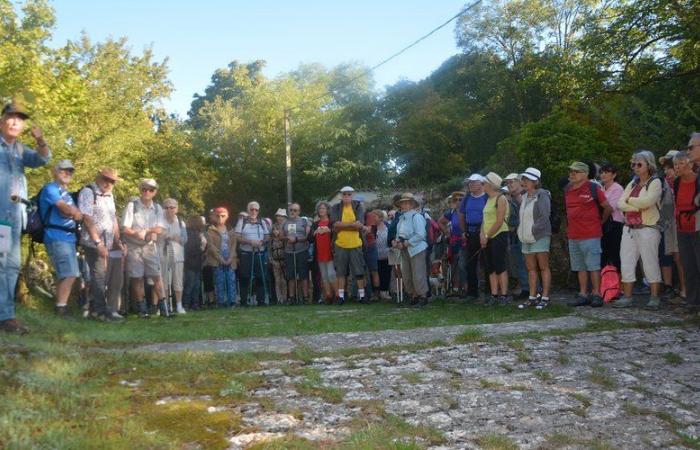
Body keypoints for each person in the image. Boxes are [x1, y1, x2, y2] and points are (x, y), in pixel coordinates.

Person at [0, 102, 50, 334]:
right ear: (2, 120)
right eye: (11, 117)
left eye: (20, 119)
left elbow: (43, 160)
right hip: (0, 216)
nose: (15, 122)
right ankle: (5, 316)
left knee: (11, 265)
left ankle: (6, 316)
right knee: (2, 264)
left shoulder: (20, 150)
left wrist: (40, 140)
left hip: (15, 217)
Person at [614, 151, 663, 309]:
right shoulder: (632, 183)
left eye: (639, 164)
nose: (635, 167)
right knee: (627, 262)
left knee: (650, 262)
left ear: (649, 165)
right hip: (629, 228)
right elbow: (620, 204)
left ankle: (655, 298)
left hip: (648, 228)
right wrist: (635, 204)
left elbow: (648, 202)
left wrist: (630, 200)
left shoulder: (655, 182)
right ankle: (627, 297)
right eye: (633, 164)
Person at [78, 167, 124, 321]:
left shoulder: (110, 196)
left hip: (108, 243)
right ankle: (100, 311)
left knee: (102, 276)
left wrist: (118, 241)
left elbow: (113, 220)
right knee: (98, 275)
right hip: (92, 242)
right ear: (99, 177)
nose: (109, 183)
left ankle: (94, 309)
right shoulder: (88, 192)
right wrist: (98, 242)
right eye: (106, 179)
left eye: (112, 181)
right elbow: (87, 218)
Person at [564, 161, 612, 307]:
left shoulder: (593, 188)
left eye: (576, 171)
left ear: (585, 174)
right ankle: (583, 294)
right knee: (580, 267)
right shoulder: (567, 189)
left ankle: (596, 294)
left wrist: (600, 223)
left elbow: (607, 208)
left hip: (591, 234)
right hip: (573, 235)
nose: (572, 174)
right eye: (571, 171)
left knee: (593, 266)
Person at [39, 160, 83, 317]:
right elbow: (65, 209)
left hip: (68, 238)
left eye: (70, 171)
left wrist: (71, 211)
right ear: (55, 171)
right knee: (70, 273)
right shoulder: (51, 188)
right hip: (56, 236)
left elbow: (76, 214)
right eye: (63, 170)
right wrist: (71, 211)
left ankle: (60, 307)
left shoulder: (67, 194)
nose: (67, 173)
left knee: (65, 274)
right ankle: (61, 308)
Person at [121, 178, 167, 318]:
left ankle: (164, 309)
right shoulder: (132, 206)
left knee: (157, 277)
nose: (147, 192)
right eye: (144, 189)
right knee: (137, 278)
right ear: (140, 190)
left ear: (155, 192)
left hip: (150, 247)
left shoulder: (158, 208)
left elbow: (160, 228)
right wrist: (137, 233)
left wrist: (145, 231)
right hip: (134, 247)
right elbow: (124, 228)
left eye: (151, 190)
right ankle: (143, 310)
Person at [516, 168, 552, 309]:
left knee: (543, 267)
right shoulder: (524, 197)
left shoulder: (542, 195)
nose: (523, 182)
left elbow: (544, 217)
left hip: (539, 236)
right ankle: (532, 296)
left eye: (527, 179)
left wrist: (533, 230)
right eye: (523, 179)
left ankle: (545, 296)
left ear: (535, 182)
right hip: (525, 237)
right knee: (530, 268)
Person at [671, 151, 700, 314]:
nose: (677, 167)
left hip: (697, 227)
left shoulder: (698, 181)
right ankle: (693, 302)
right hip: (682, 229)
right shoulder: (677, 182)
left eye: (681, 163)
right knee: (688, 266)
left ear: (690, 164)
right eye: (675, 164)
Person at [330, 186, 367, 305]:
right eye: (344, 194)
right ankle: (340, 297)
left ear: (353, 195)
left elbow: (359, 224)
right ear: (341, 195)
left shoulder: (358, 206)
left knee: (359, 271)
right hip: (340, 244)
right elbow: (334, 225)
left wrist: (342, 225)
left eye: (349, 194)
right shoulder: (335, 207)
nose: (346, 196)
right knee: (340, 272)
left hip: (356, 243)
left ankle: (362, 296)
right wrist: (352, 225)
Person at [657, 150, 685, 300]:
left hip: (683, 223)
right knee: (669, 256)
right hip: (668, 224)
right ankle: (671, 287)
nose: (667, 170)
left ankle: (684, 288)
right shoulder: (663, 183)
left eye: (670, 166)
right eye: (666, 167)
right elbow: (665, 208)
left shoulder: (686, 181)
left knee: (680, 257)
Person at [393, 192, 429, 307]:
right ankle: (414, 296)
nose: (404, 205)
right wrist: (396, 241)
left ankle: (422, 296)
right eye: (403, 203)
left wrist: (407, 243)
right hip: (405, 249)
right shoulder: (401, 218)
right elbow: (399, 233)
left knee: (418, 273)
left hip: (416, 249)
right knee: (407, 274)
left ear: (413, 205)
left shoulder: (416, 216)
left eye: (407, 203)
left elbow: (420, 234)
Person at [480, 173, 511, 305]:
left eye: (483, 183)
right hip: (488, 236)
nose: (482, 185)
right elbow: (485, 220)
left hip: (499, 235)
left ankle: (503, 295)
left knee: (500, 265)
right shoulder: (488, 199)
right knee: (490, 267)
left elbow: (499, 221)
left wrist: (487, 236)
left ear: (490, 185)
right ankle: (494, 294)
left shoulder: (501, 198)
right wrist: (482, 234)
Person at [459, 174, 489, 301]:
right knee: (471, 262)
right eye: (469, 182)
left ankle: (489, 291)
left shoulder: (487, 197)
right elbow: (461, 215)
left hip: (485, 232)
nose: (470, 184)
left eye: (473, 182)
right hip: (470, 233)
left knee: (487, 262)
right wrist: (464, 231)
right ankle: (472, 292)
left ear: (481, 184)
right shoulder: (466, 198)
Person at [235, 201, 269, 306]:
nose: (254, 211)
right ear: (248, 210)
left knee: (260, 276)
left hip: (259, 252)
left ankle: (261, 301)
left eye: (256, 209)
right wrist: (250, 242)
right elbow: (237, 237)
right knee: (244, 276)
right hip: (246, 253)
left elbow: (267, 236)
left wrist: (261, 242)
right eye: (251, 209)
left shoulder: (262, 222)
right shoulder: (242, 221)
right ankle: (244, 301)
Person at [158, 198, 188, 314]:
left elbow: (185, 239)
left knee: (178, 280)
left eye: (172, 207)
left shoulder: (181, 222)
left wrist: (176, 238)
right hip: (163, 254)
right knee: (163, 280)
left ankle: (179, 305)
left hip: (178, 255)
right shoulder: (159, 221)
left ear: (177, 208)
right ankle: (164, 305)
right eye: (166, 207)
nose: (169, 210)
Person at [504, 173, 529, 298]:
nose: (509, 185)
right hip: (514, 236)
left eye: (512, 181)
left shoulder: (528, 195)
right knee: (519, 263)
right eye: (507, 183)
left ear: (520, 182)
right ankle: (526, 289)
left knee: (528, 263)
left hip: (526, 235)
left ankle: (535, 289)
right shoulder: (510, 198)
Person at [206, 207, 237, 307]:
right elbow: (211, 246)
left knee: (231, 279)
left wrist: (230, 258)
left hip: (230, 258)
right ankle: (221, 302)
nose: (220, 218)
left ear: (227, 216)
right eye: (218, 216)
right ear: (214, 216)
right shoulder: (210, 230)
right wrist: (221, 259)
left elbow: (233, 245)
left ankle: (232, 301)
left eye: (223, 216)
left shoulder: (231, 230)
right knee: (219, 280)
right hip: (217, 259)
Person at [283, 202, 311, 304]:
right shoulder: (285, 222)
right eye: (291, 210)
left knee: (303, 275)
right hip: (289, 251)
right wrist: (287, 238)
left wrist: (296, 239)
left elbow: (307, 236)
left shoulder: (304, 221)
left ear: (299, 211)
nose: (292, 212)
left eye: (295, 210)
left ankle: (305, 297)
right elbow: (281, 236)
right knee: (291, 275)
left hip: (301, 250)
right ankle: (292, 297)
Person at [439, 191, 465, 296]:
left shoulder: (467, 211)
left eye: (460, 199)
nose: (458, 201)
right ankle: (455, 288)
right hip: (454, 241)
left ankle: (465, 288)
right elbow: (440, 222)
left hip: (466, 240)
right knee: (455, 264)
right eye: (455, 199)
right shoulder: (451, 212)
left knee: (464, 264)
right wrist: (447, 232)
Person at [310, 201, 336, 304]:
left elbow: (336, 234)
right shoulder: (315, 224)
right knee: (324, 276)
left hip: (330, 253)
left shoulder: (332, 222)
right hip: (319, 253)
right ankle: (329, 296)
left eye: (323, 208)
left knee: (331, 275)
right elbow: (310, 238)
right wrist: (315, 232)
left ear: (327, 210)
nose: (321, 210)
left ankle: (338, 296)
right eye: (320, 208)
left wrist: (329, 230)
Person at [599, 163, 624, 270]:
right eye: (602, 172)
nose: (603, 175)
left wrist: (601, 221)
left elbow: (610, 208)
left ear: (614, 175)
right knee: (603, 254)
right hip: (604, 225)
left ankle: (619, 283)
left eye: (606, 172)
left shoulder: (617, 189)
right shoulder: (601, 189)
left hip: (614, 225)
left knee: (615, 254)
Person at [183, 215, 206, 310]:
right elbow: (191, 249)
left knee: (196, 285)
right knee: (191, 285)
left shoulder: (196, 233)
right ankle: (187, 304)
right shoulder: (190, 233)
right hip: (191, 263)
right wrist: (202, 248)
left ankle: (194, 303)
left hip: (195, 263)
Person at [372, 209, 392, 300]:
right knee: (376, 274)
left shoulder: (388, 226)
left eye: (375, 216)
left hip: (386, 254)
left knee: (386, 274)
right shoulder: (371, 228)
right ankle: (376, 293)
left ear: (380, 218)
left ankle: (385, 292)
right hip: (375, 255)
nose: (373, 218)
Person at [269, 208, 288, 304]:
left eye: (281, 216)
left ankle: (285, 298)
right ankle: (279, 298)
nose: (279, 218)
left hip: (284, 259)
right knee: (277, 280)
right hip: (275, 261)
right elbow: (269, 250)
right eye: (278, 216)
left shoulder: (286, 228)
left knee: (284, 280)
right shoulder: (272, 235)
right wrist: (272, 261)